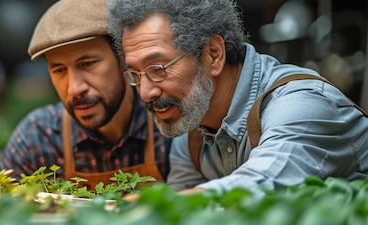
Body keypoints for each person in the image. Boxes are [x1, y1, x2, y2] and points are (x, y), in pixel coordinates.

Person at [106, 0, 368, 194]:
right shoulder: (191, 134)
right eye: (135, 74)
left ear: (213, 55)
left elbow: (260, 186)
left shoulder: (300, 105)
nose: (144, 92)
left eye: (158, 69)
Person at [0, 0, 171, 189]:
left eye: (87, 64)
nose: (74, 88)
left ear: (123, 59)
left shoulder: (168, 126)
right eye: (59, 70)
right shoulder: (36, 140)